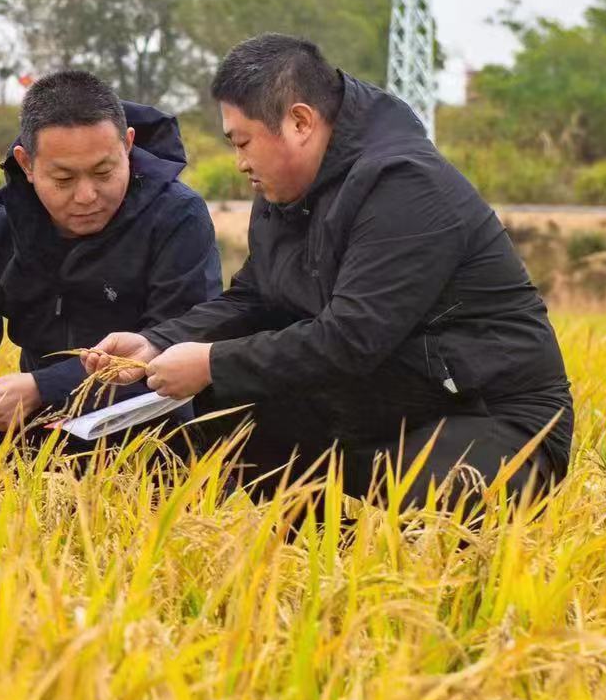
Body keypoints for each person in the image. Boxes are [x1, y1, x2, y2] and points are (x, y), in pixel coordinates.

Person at [87, 33, 573, 514]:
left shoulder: (405, 185)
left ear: (300, 121)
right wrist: (158, 342)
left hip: (487, 417)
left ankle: (351, 542)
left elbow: (352, 337)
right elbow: (254, 298)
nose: (240, 163)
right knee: (223, 408)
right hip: (386, 404)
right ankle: (301, 543)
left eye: (244, 142)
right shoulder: (285, 190)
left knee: (414, 513)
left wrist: (212, 363)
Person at [0, 70, 222, 473]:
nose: (86, 195)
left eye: (104, 172)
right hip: (40, 423)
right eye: (64, 178)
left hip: (146, 422)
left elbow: (178, 344)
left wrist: (44, 388)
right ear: (27, 164)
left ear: (127, 146)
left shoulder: (177, 216)